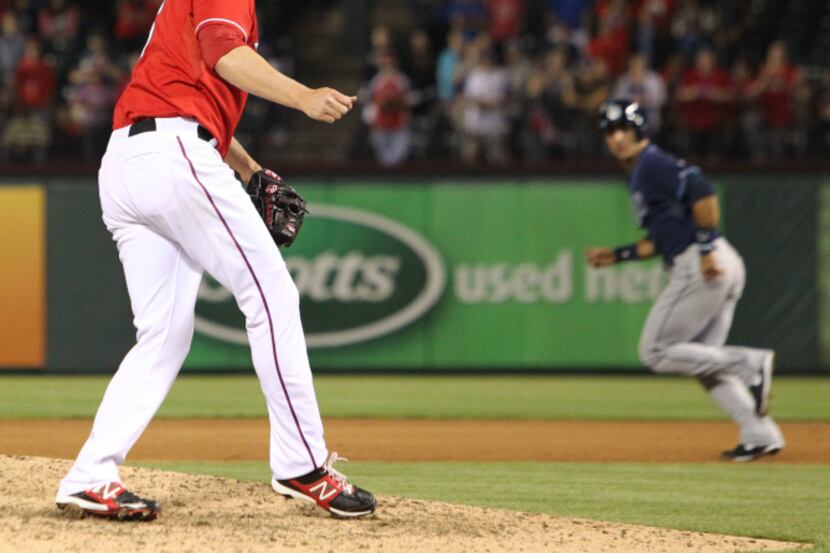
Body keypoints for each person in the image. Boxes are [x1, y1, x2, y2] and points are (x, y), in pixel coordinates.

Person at [55, 0, 376, 520]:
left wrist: (249, 170)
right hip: (172, 157)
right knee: (271, 294)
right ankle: (304, 464)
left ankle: (91, 474)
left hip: (128, 164)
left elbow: (191, 96)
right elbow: (226, 56)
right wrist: (304, 97)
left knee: (164, 334)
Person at [585, 99, 785, 463]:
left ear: (639, 129)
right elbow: (657, 240)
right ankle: (760, 434)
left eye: (623, 129)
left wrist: (706, 248)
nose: (616, 138)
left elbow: (702, 190)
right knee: (705, 364)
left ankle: (750, 365)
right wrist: (618, 255)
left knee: (655, 351)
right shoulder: (638, 173)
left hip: (702, 262)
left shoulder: (651, 163)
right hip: (717, 261)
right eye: (609, 132)